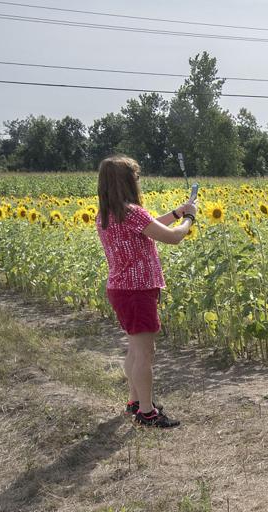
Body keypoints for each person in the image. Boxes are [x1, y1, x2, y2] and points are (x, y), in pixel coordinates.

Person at [96, 155, 197, 428]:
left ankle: (134, 401)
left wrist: (176, 213)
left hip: (120, 289)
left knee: (135, 349)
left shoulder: (108, 214)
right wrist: (189, 218)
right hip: (137, 290)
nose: (138, 182)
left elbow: (149, 226)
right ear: (128, 181)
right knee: (145, 353)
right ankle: (147, 411)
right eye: (136, 177)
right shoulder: (132, 212)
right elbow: (173, 237)